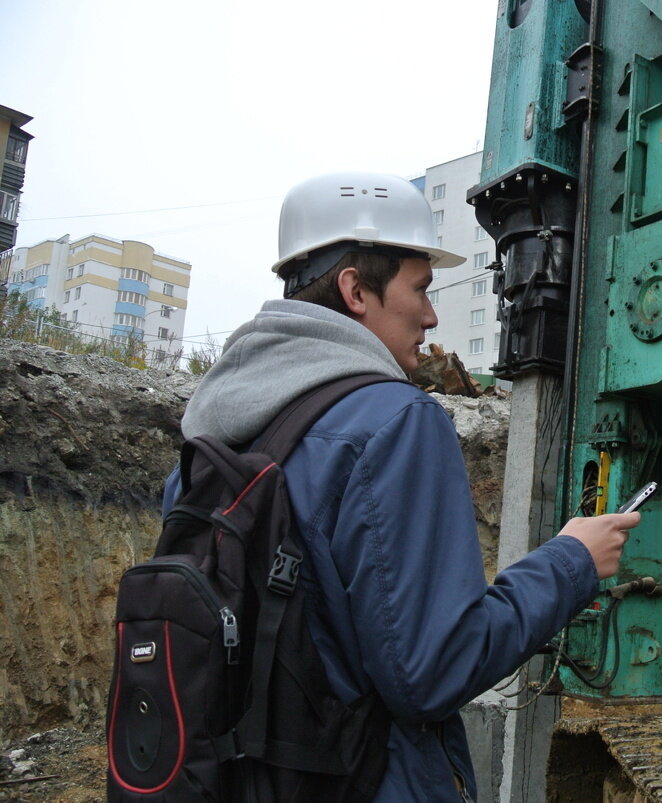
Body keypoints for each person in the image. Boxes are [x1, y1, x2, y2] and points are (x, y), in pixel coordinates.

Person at [168, 171, 638, 800]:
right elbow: (431, 671)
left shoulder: (207, 442)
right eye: (419, 289)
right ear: (355, 290)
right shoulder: (396, 422)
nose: (431, 313)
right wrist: (572, 562)